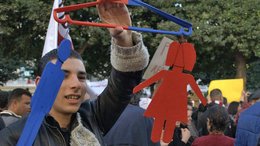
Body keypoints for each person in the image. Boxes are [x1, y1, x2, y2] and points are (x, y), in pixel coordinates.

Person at [0, 2, 149, 146]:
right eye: (63, 76)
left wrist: (124, 40)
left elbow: (124, 83)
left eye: (82, 77)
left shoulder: (92, 118)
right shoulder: (12, 137)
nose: (76, 84)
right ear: (40, 83)